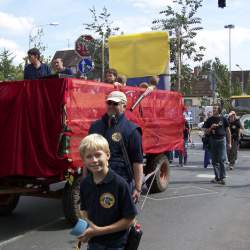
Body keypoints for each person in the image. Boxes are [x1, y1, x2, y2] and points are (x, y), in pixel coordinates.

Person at [78, 134, 137, 250]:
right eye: (89, 156)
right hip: (94, 243)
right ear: (83, 160)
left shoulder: (120, 184)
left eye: (98, 155)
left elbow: (130, 220)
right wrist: (85, 230)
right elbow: (84, 210)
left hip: (115, 244)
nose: (94, 160)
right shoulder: (85, 184)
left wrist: (98, 231)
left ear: (108, 155)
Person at [89, 91, 144, 202]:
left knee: (122, 216)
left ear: (124, 106)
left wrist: (138, 188)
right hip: (97, 181)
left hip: (121, 182)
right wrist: (85, 180)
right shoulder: (95, 127)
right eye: (109, 103)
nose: (111, 106)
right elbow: (88, 154)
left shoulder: (132, 130)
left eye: (115, 103)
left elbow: (137, 161)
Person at [203, 104, 231, 185]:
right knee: (214, 160)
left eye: (215, 108)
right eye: (213, 108)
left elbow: (228, 131)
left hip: (222, 140)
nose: (214, 110)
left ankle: (222, 177)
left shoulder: (224, 119)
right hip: (212, 140)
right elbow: (205, 131)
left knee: (222, 159)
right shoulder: (210, 120)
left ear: (219, 110)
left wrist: (229, 143)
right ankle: (217, 177)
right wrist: (211, 127)